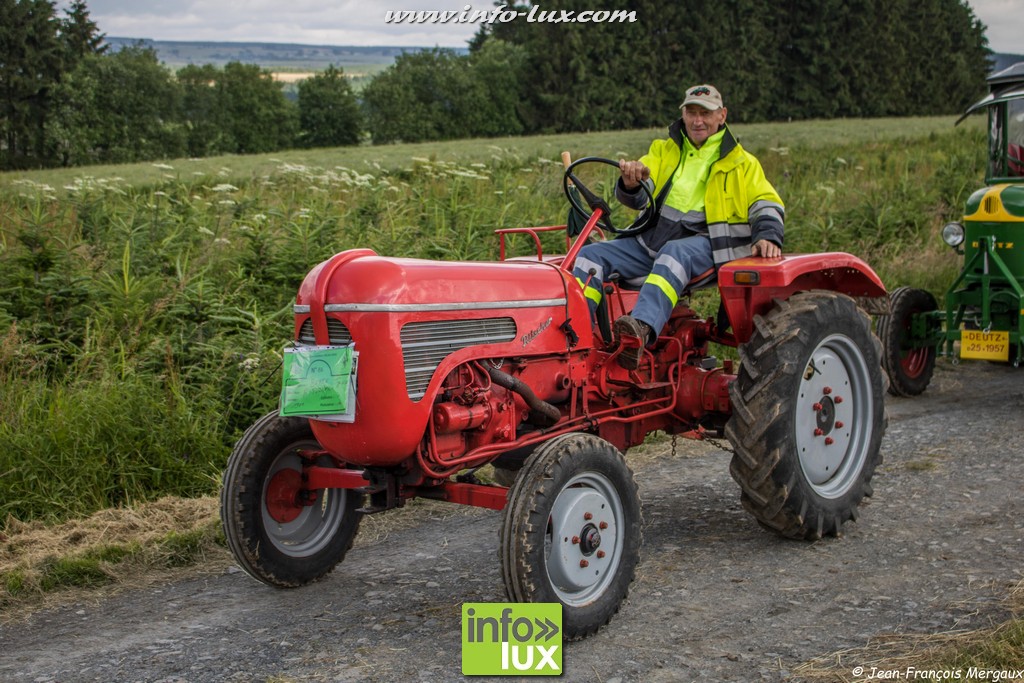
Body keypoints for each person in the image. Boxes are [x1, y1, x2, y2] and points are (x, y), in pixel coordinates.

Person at [572, 84, 785, 369]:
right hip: (653, 239)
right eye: (691, 112)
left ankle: (641, 331)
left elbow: (766, 202)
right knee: (590, 257)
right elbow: (640, 190)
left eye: (705, 113)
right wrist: (631, 182)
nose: (698, 120)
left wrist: (768, 235)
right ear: (683, 114)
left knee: (674, 254)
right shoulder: (664, 150)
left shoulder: (742, 163)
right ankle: (575, 336)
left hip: (708, 246)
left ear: (722, 115)